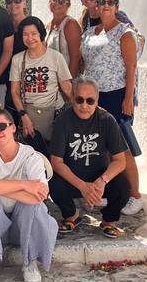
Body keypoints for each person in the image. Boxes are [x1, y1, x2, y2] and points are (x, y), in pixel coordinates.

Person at [0, 109, 58, 282]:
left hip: (23, 228)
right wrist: (25, 185)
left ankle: (30, 261)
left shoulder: (30, 155)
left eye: (1, 127)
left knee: (34, 207)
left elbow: (39, 197)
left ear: (13, 128)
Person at [81, 0, 143, 215]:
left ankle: (135, 195)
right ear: (95, 6)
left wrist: (128, 99)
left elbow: (131, 67)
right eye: (102, 2)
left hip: (116, 95)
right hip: (94, 98)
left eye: (110, 2)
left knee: (122, 148)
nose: (105, 5)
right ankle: (113, 192)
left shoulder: (124, 33)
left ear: (116, 6)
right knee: (104, 149)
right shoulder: (90, 33)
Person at [49, 79, 131, 239]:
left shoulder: (107, 120)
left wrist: (102, 181)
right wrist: (82, 186)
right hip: (72, 178)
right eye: (79, 99)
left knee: (123, 186)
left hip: (99, 177)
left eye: (90, 101)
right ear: (72, 98)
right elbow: (56, 162)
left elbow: (120, 161)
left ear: (97, 100)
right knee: (52, 181)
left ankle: (109, 220)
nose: (84, 105)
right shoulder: (63, 120)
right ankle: (71, 215)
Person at [10, 16, 73, 152]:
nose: (30, 38)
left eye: (34, 33)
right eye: (25, 34)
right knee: (32, 154)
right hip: (28, 114)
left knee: (57, 152)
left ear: (41, 34)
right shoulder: (17, 59)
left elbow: (67, 89)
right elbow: (14, 92)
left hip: (56, 112)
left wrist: (83, 105)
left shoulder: (56, 57)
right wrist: (23, 116)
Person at [46, 0, 82, 79]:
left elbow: (75, 57)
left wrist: (69, 84)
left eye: (61, 1)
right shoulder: (47, 25)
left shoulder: (70, 24)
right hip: (51, 81)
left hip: (66, 81)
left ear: (68, 5)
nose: (55, 3)